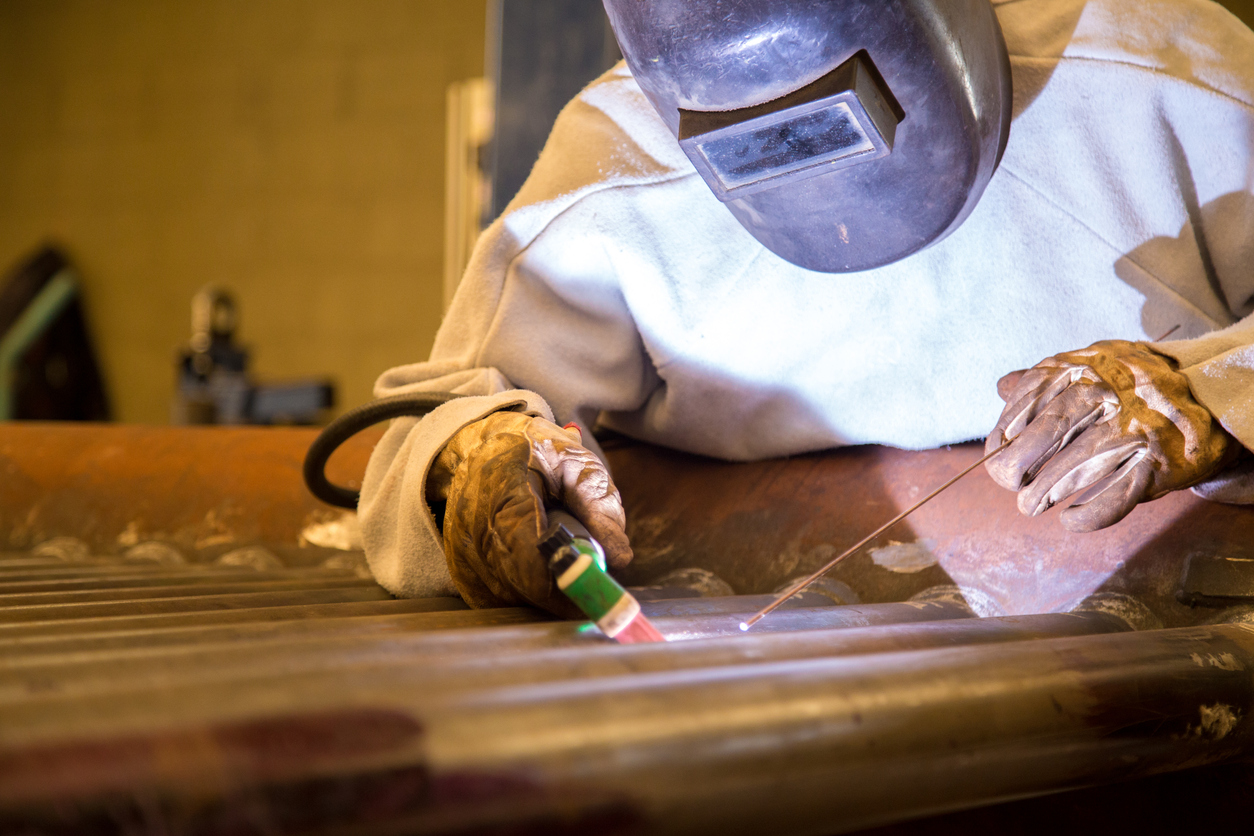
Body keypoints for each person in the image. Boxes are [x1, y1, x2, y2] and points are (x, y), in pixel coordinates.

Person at [359, 0, 1254, 614]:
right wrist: (476, 461)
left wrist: (1206, 392)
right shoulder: (614, 167)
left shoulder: (1160, 79)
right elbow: (435, 437)